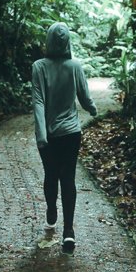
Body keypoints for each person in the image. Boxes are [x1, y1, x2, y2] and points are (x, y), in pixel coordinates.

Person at [32, 22, 97, 253]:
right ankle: (68, 232)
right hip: (71, 133)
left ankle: (52, 212)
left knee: (51, 174)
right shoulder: (75, 66)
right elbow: (84, 96)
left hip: (48, 135)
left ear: (48, 40)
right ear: (67, 41)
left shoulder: (39, 67)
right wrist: (93, 110)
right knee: (67, 178)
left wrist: (41, 134)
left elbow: (38, 101)